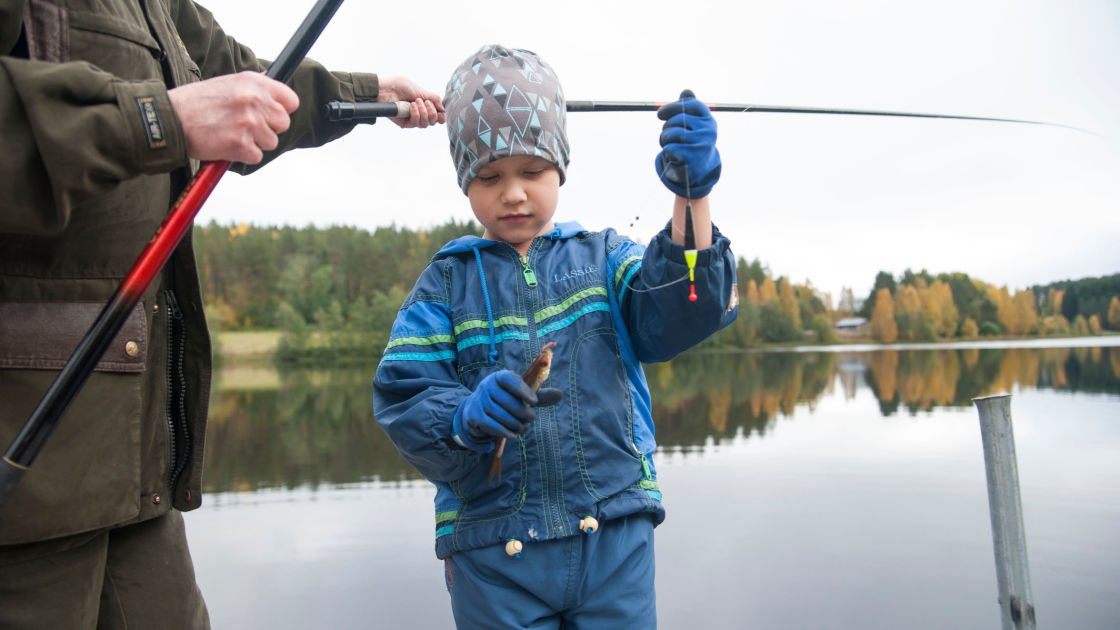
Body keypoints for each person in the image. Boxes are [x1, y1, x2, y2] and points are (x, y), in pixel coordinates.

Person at [0, 1, 444, 628]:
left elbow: (244, 78)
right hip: (27, 479)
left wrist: (368, 95)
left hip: (136, 469)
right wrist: (160, 122)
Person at [373, 44, 738, 628]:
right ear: (465, 180)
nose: (513, 192)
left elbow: (682, 314)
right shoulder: (444, 283)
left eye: (532, 171)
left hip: (614, 540)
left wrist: (691, 196)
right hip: (493, 557)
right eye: (490, 176)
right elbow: (402, 397)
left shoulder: (606, 258)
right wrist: (463, 416)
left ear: (561, 166)